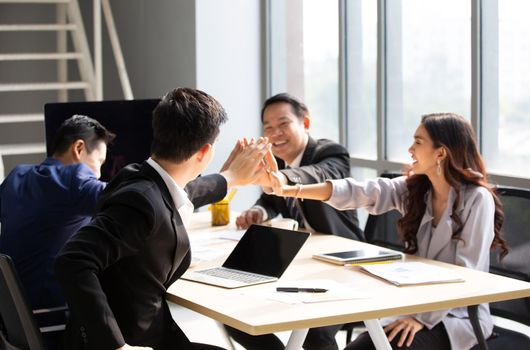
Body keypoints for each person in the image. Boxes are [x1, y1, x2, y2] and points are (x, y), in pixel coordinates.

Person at [266, 112, 508, 350]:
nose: (410, 149)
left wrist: (421, 319)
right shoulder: (416, 190)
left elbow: (466, 275)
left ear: (441, 153)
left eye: (418, 142)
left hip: (455, 317)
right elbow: (358, 191)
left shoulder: (477, 200)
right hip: (413, 306)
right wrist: (289, 189)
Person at [53, 87, 269, 350]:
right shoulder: (141, 202)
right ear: (204, 152)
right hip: (132, 342)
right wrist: (116, 346)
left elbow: (184, 192)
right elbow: (73, 259)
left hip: (151, 333)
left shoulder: (137, 176)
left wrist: (230, 178)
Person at [226, 93, 363, 350]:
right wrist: (258, 211)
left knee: (315, 331)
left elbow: (316, 176)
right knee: (236, 316)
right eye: (268, 127)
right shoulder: (276, 162)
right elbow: (270, 200)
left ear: (306, 123)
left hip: (343, 263)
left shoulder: (331, 153)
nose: (275, 133)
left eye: (283, 124)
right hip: (301, 262)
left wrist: (282, 181)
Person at [0, 115, 115, 349]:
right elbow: (129, 198)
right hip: (53, 324)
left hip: (12, 324)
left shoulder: (16, 176)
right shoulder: (72, 179)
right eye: (99, 162)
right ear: (79, 148)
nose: (99, 173)